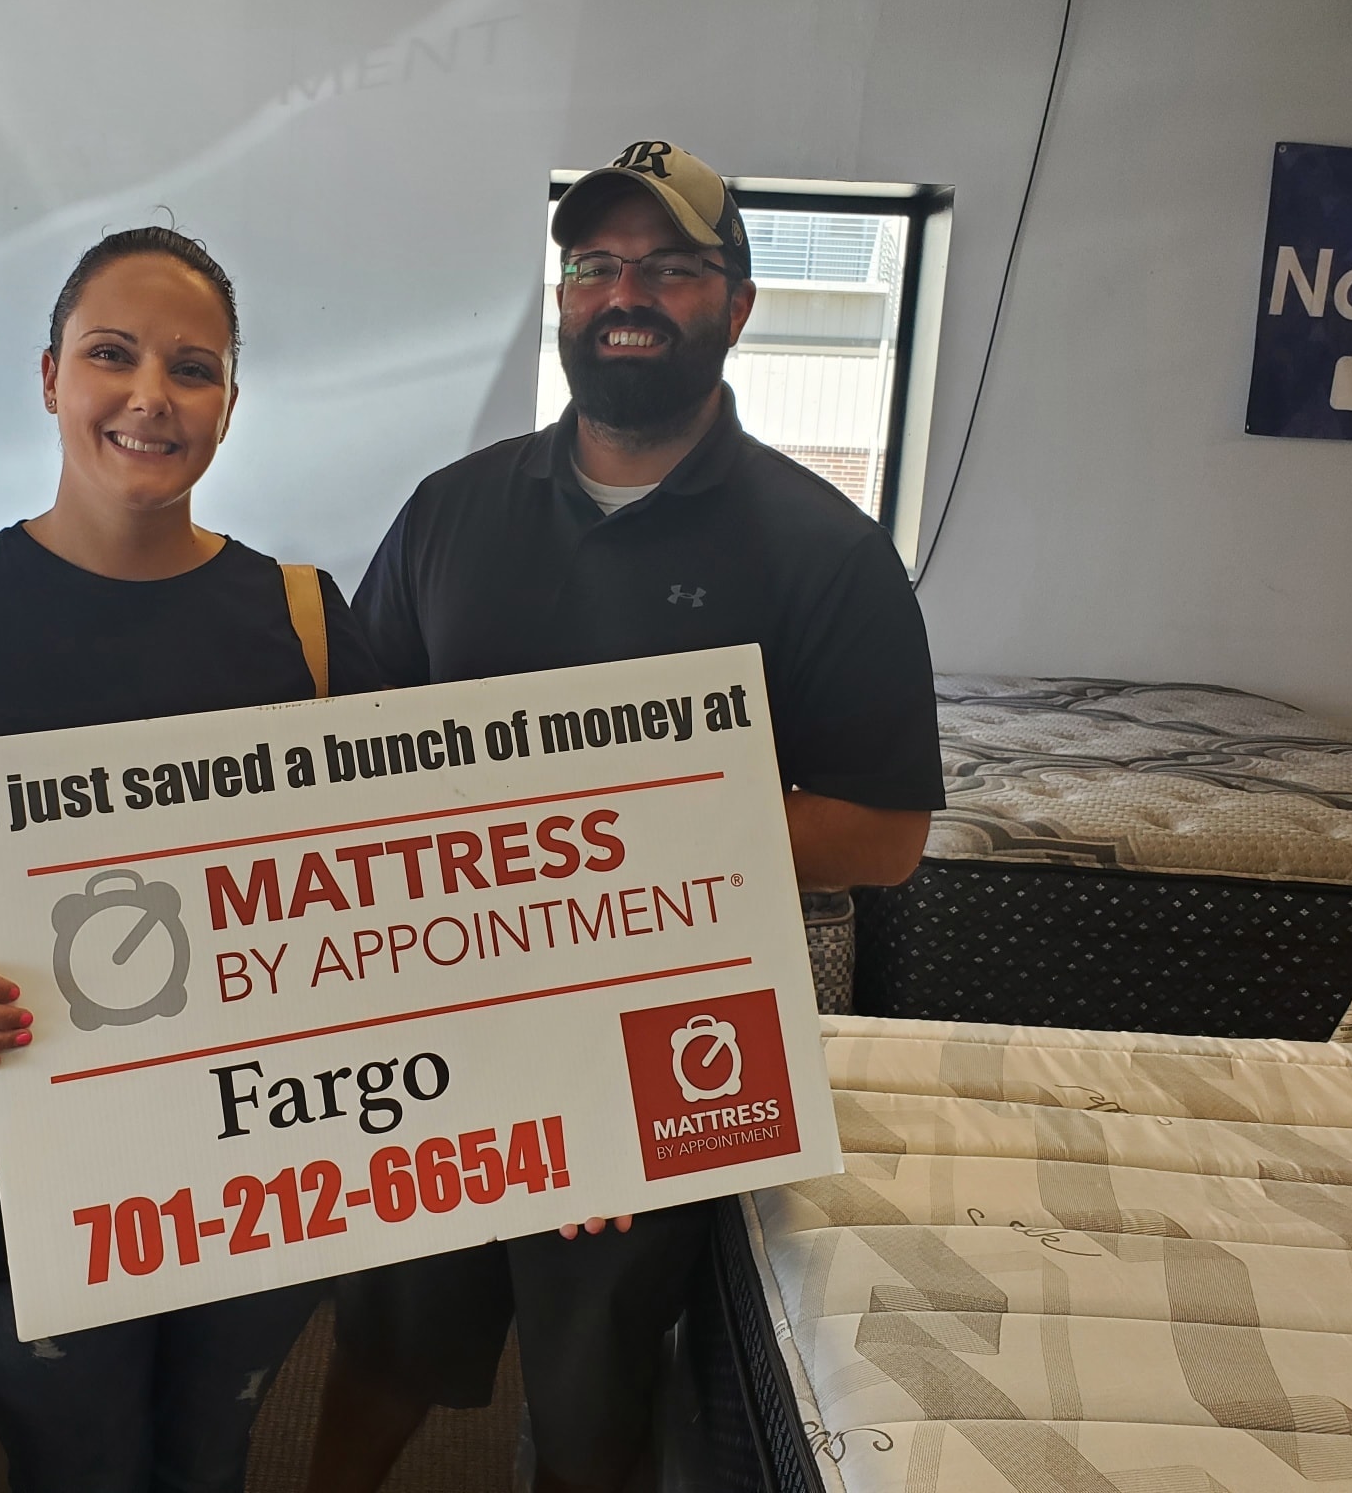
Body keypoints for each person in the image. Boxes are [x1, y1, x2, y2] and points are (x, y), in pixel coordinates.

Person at [307, 141, 945, 1493]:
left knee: (597, 1383)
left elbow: (887, 836)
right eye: (594, 265)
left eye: (671, 267)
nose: (625, 293)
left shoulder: (827, 550)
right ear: (564, 300)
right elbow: (350, 753)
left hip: (678, 1026)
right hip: (448, 1004)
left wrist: (626, 821)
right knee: (386, 1336)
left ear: (739, 304)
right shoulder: (451, 512)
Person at [0, 227, 382, 1493]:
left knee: (210, 1459)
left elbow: (413, 871)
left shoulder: (308, 627)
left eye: (194, 367)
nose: (151, 395)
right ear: (51, 377)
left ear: (230, 404)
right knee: (79, 1470)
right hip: (8, 1172)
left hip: (259, 1162)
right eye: (112, 354)